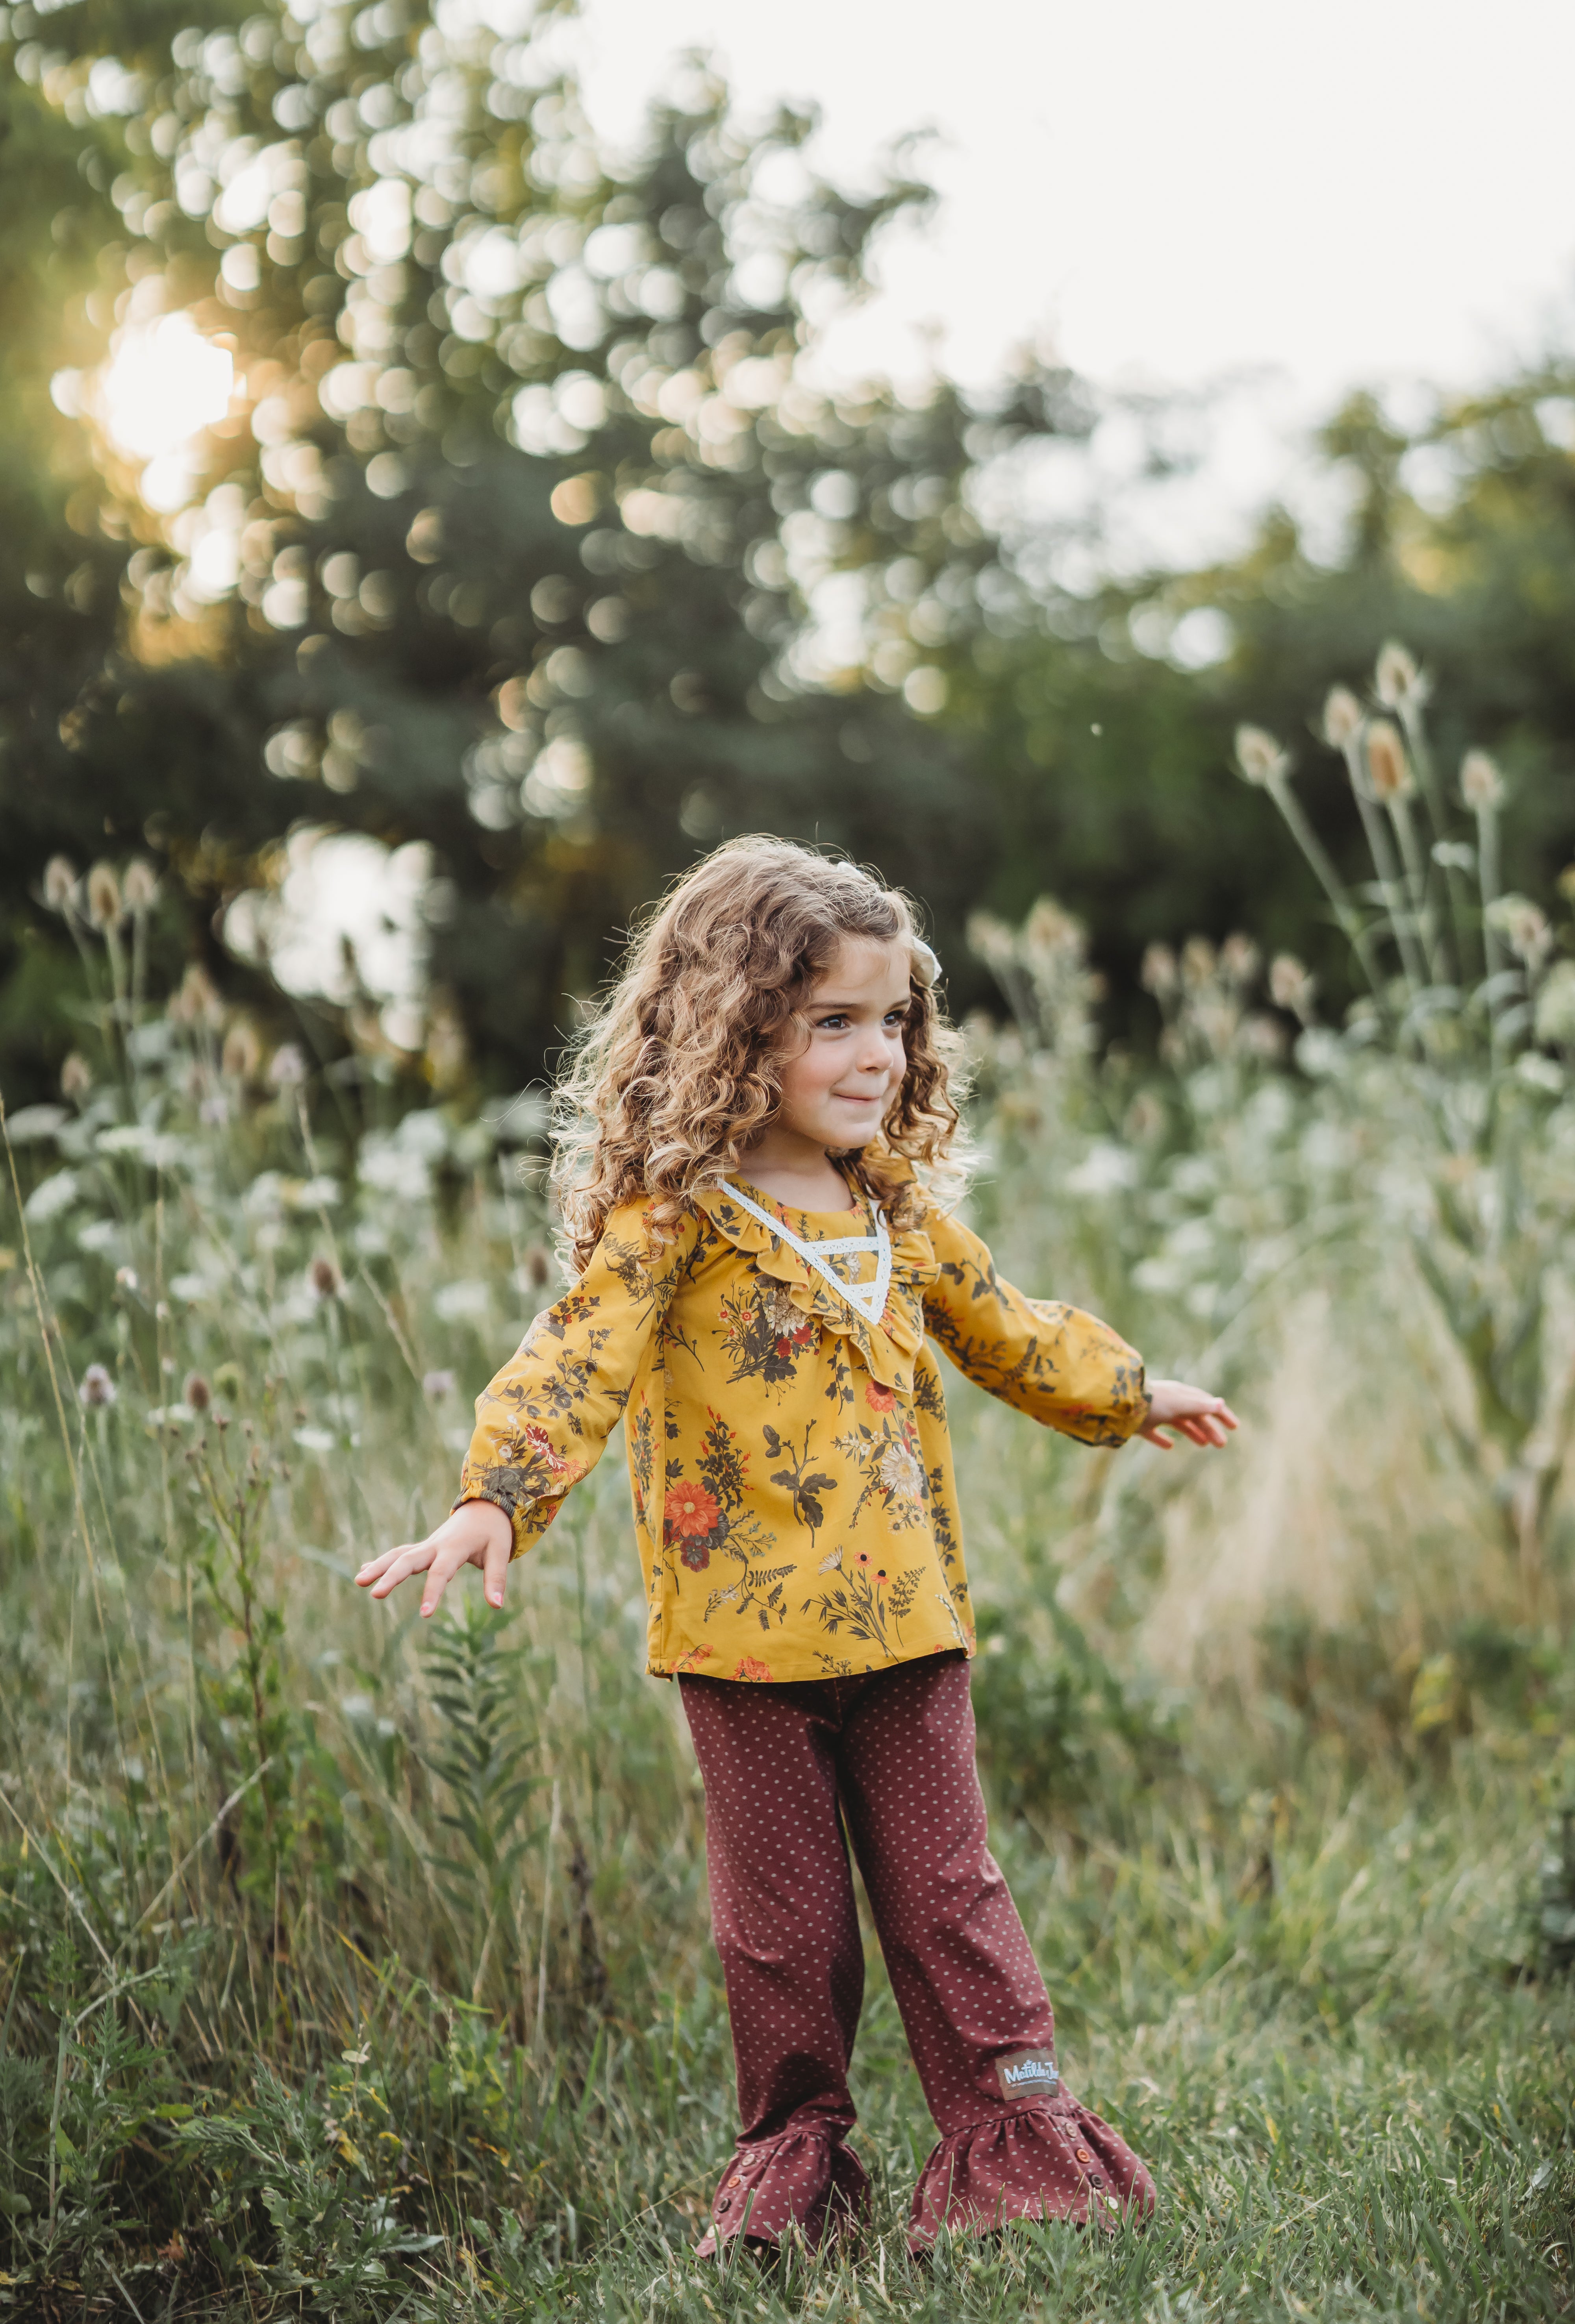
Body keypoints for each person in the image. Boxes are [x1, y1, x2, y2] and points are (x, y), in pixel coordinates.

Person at [356, 838, 1236, 2255]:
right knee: (784, 1932)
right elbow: (570, 1362)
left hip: (910, 1627)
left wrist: (1131, 1391)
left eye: (893, 1020)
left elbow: (1009, 1324)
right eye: (835, 1021)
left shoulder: (893, 1209)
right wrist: (494, 1499)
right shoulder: (677, 1223)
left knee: (951, 1897)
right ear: (734, 1026)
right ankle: (799, 2180)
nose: (877, 1052)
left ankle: (1021, 2160)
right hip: (743, 1647)